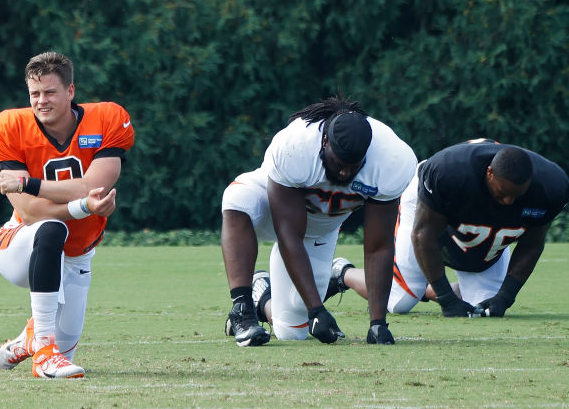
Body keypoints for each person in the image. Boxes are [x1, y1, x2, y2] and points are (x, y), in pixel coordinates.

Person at [220, 97, 416, 346]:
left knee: (292, 330)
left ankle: (262, 297)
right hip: (276, 210)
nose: (344, 173)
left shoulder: (392, 160)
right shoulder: (295, 145)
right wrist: (317, 309)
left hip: (321, 229)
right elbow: (288, 232)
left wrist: (378, 324)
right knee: (238, 199)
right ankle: (243, 311)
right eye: (338, 163)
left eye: (352, 166)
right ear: (325, 142)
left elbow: (379, 245)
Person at [0, 52, 134, 378]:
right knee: (51, 228)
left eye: (50, 92)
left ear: (70, 91)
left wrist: (27, 182)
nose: (42, 101)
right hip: (21, 245)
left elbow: (94, 185)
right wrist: (84, 206)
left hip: (78, 256)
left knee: (67, 350)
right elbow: (29, 211)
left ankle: (29, 341)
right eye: (35, 94)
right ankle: (43, 352)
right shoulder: (11, 127)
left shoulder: (106, 120)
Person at [326, 139, 569, 318]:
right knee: (400, 299)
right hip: (428, 210)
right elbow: (424, 237)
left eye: (517, 196)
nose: (508, 202)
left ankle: (431, 288)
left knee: (482, 305)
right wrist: (446, 299)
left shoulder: (551, 187)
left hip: (483, 230)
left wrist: (505, 297)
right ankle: (343, 273)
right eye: (503, 193)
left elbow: (532, 244)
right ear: (489, 173)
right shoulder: (449, 174)